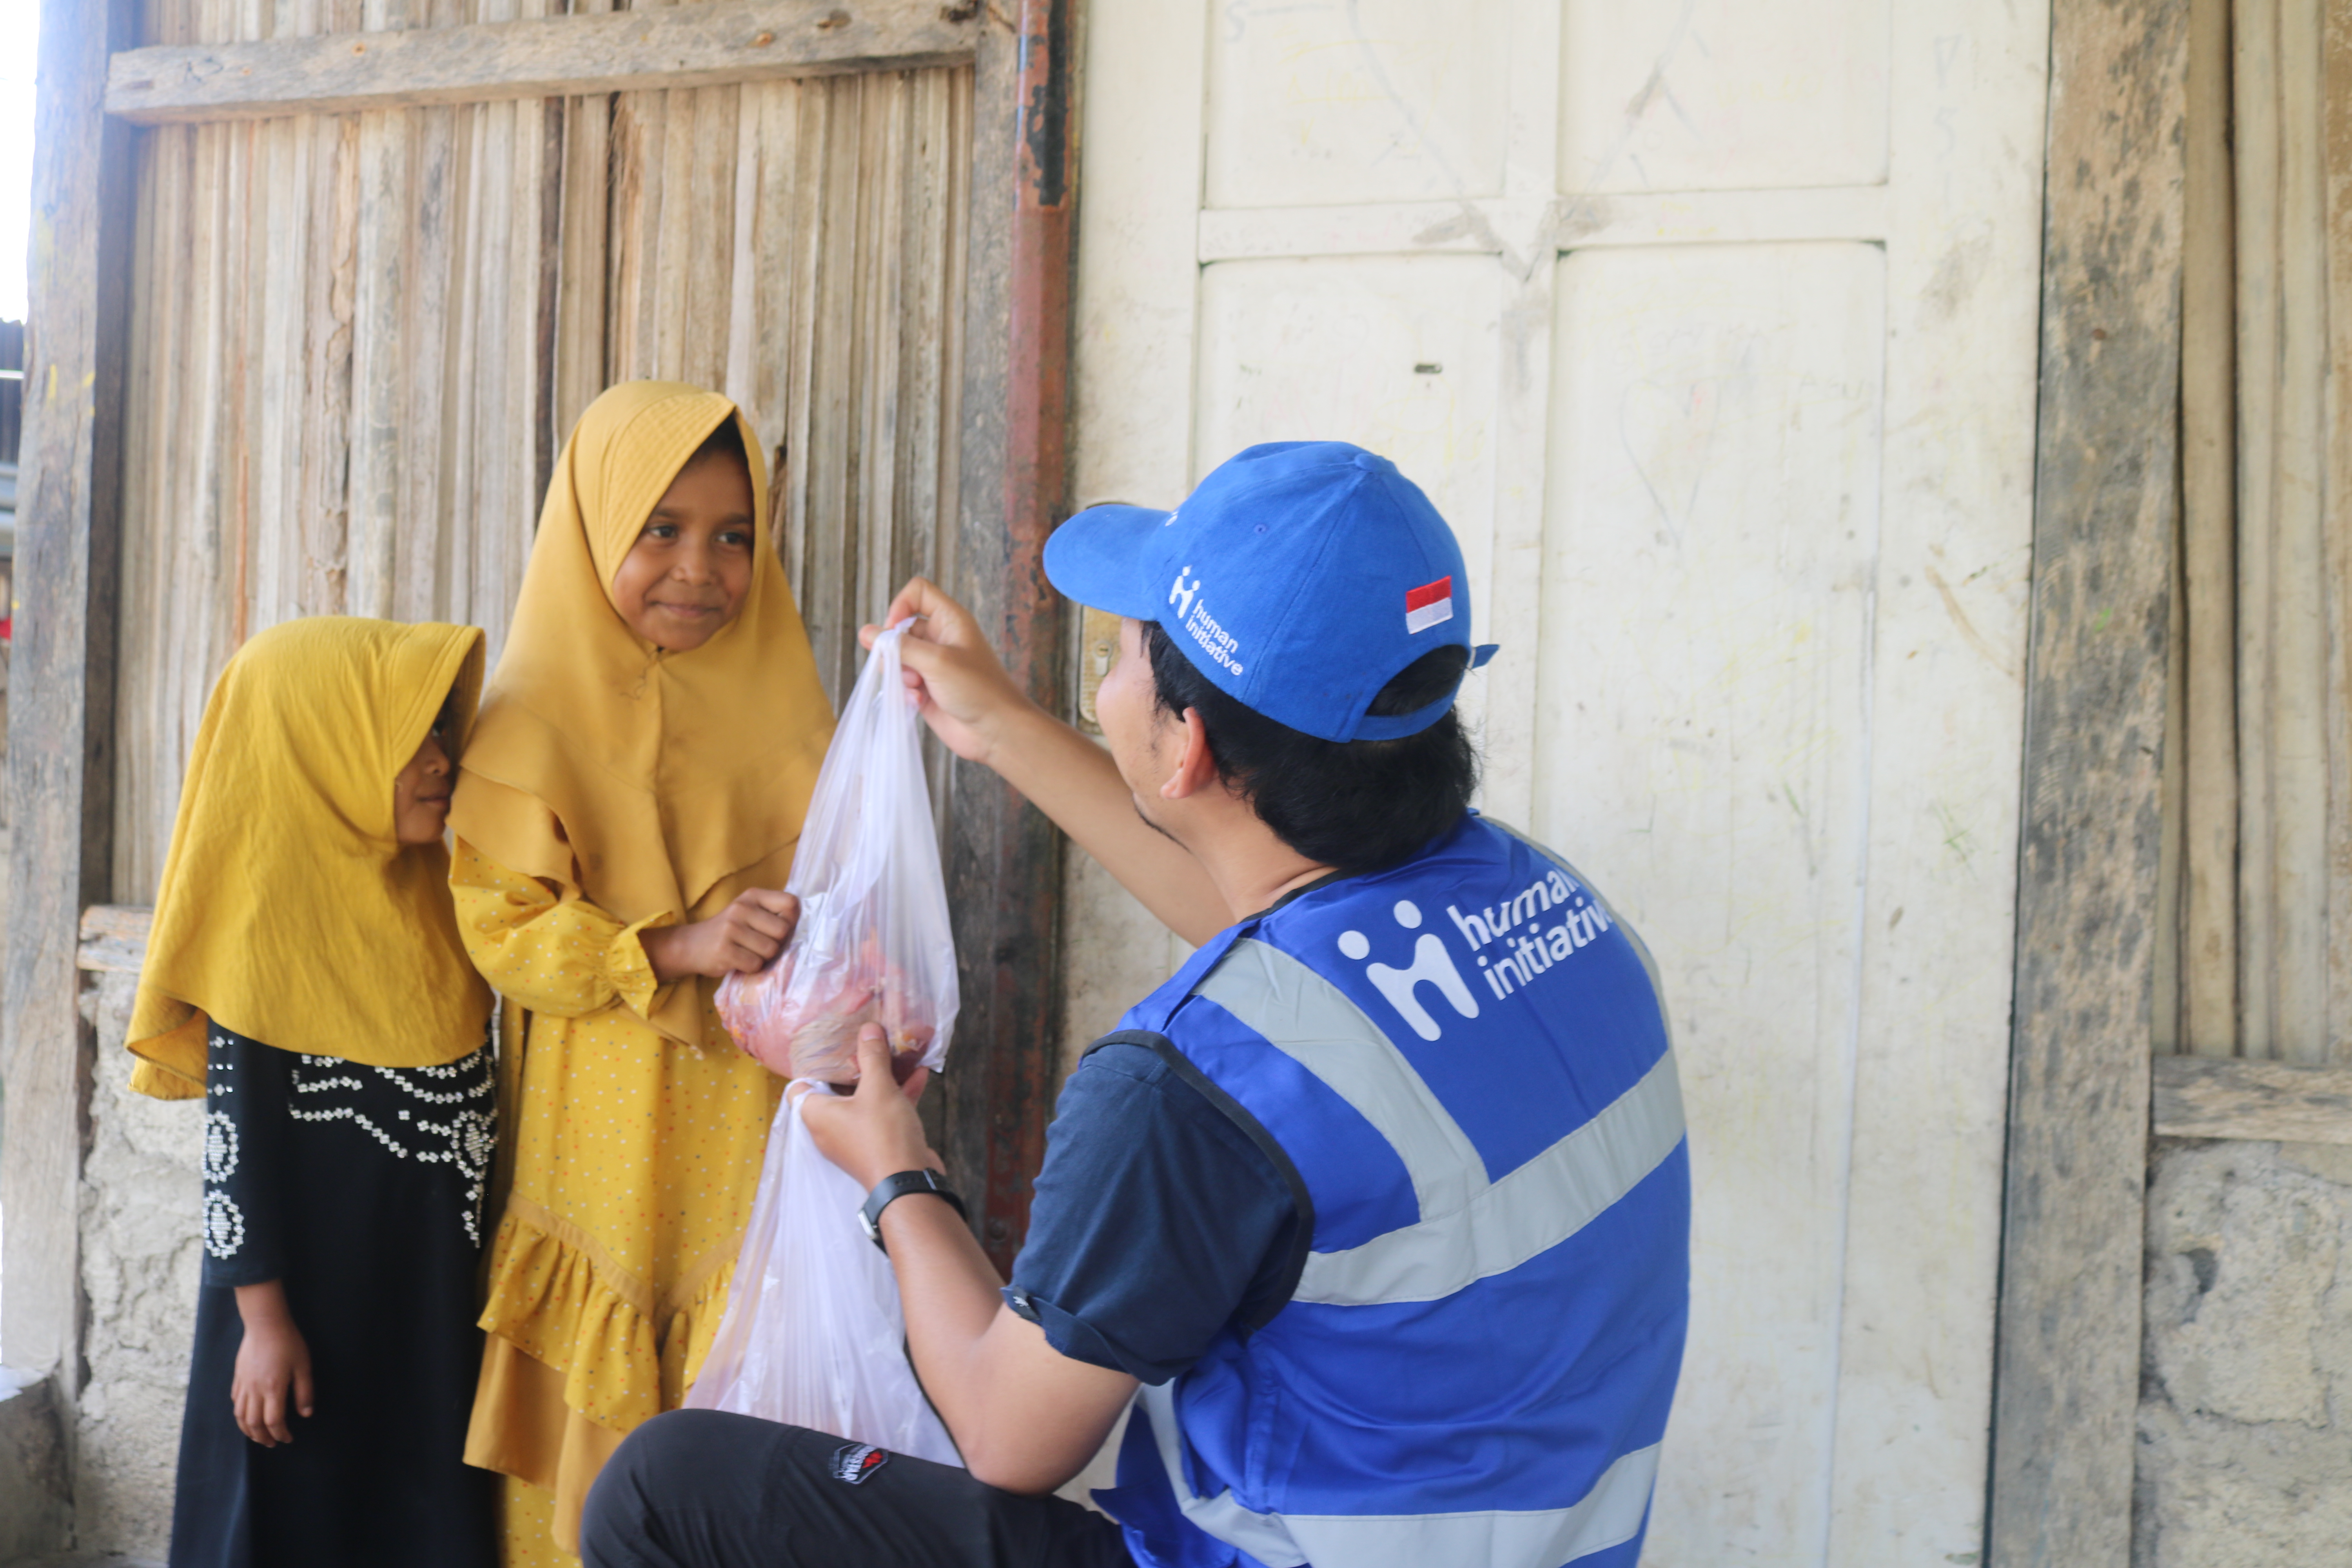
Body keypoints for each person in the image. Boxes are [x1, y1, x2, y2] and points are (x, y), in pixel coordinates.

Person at [579, 440, 1693, 1568]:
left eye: (1113, 659)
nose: (1104, 688)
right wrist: (1002, 725)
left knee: (664, 1490)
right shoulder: (1554, 910)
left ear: (1189, 743)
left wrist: (895, 1175)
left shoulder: (1186, 1086)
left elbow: (1008, 1429)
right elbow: (1280, 939)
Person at [449, 380, 835, 1565]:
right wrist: (672, 946)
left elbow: (843, 911)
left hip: (746, 1120)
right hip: (595, 1130)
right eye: (659, 529)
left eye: (734, 535)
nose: (700, 569)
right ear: (592, 526)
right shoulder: (526, 722)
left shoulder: (796, 716)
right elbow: (504, 933)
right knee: (601, 1373)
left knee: (742, 1366)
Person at [128, 616, 500, 1568]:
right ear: (321, 746)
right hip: (301, 1327)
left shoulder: (444, 906)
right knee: (290, 1519)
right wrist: (263, 1324)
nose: (441, 758)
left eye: (442, 729)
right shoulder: (268, 929)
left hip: (426, 1314)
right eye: (408, 735)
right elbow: (237, 1147)